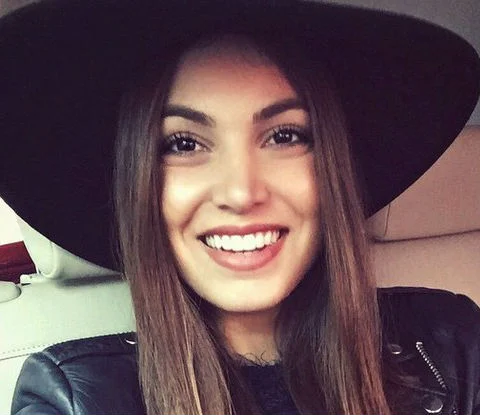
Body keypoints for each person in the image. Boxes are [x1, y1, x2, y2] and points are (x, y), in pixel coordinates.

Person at [1, 0, 479, 414]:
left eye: (285, 136)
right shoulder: (72, 398)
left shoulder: (453, 343)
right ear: (139, 185)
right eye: (184, 143)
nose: (241, 192)